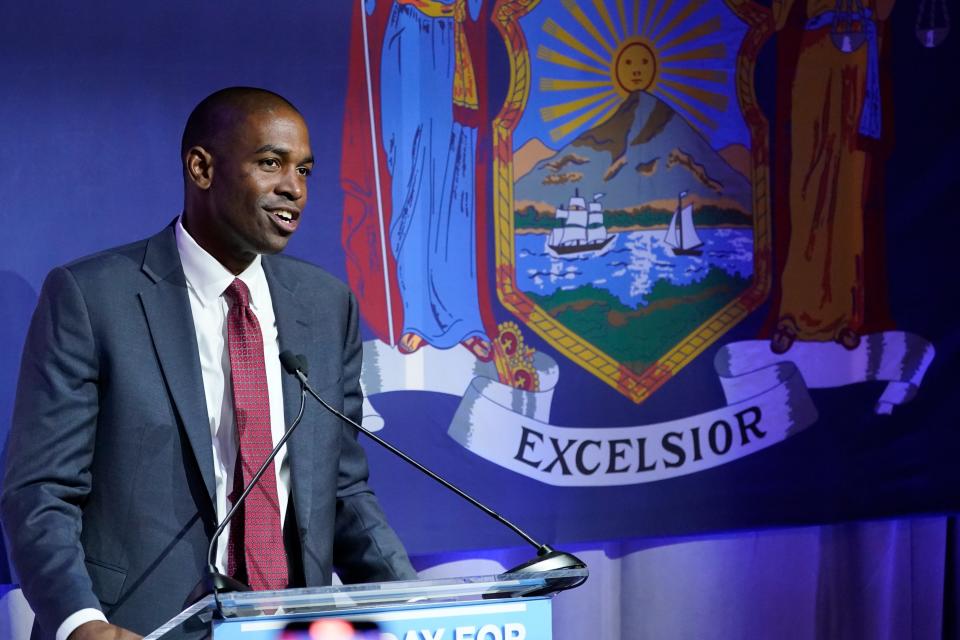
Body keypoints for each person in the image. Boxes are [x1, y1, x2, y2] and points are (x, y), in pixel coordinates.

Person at [1, 87, 416, 640]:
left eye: (305, 170)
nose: (294, 187)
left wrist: (416, 609)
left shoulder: (325, 304)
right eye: (271, 163)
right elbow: (41, 491)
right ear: (201, 167)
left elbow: (341, 489)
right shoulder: (93, 298)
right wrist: (82, 622)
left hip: (289, 628)